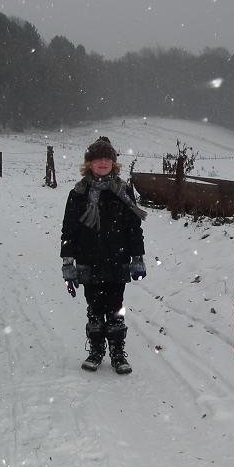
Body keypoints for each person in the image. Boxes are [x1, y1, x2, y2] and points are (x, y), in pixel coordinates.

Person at [61, 136, 147, 374]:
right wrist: (68, 262)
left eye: (107, 158)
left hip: (118, 262)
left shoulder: (123, 191)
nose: (102, 163)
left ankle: (118, 353)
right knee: (95, 308)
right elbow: (69, 230)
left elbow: (133, 228)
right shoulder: (78, 192)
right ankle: (96, 351)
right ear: (89, 163)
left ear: (113, 163)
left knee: (116, 308)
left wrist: (137, 258)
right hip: (88, 261)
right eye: (97, 159)